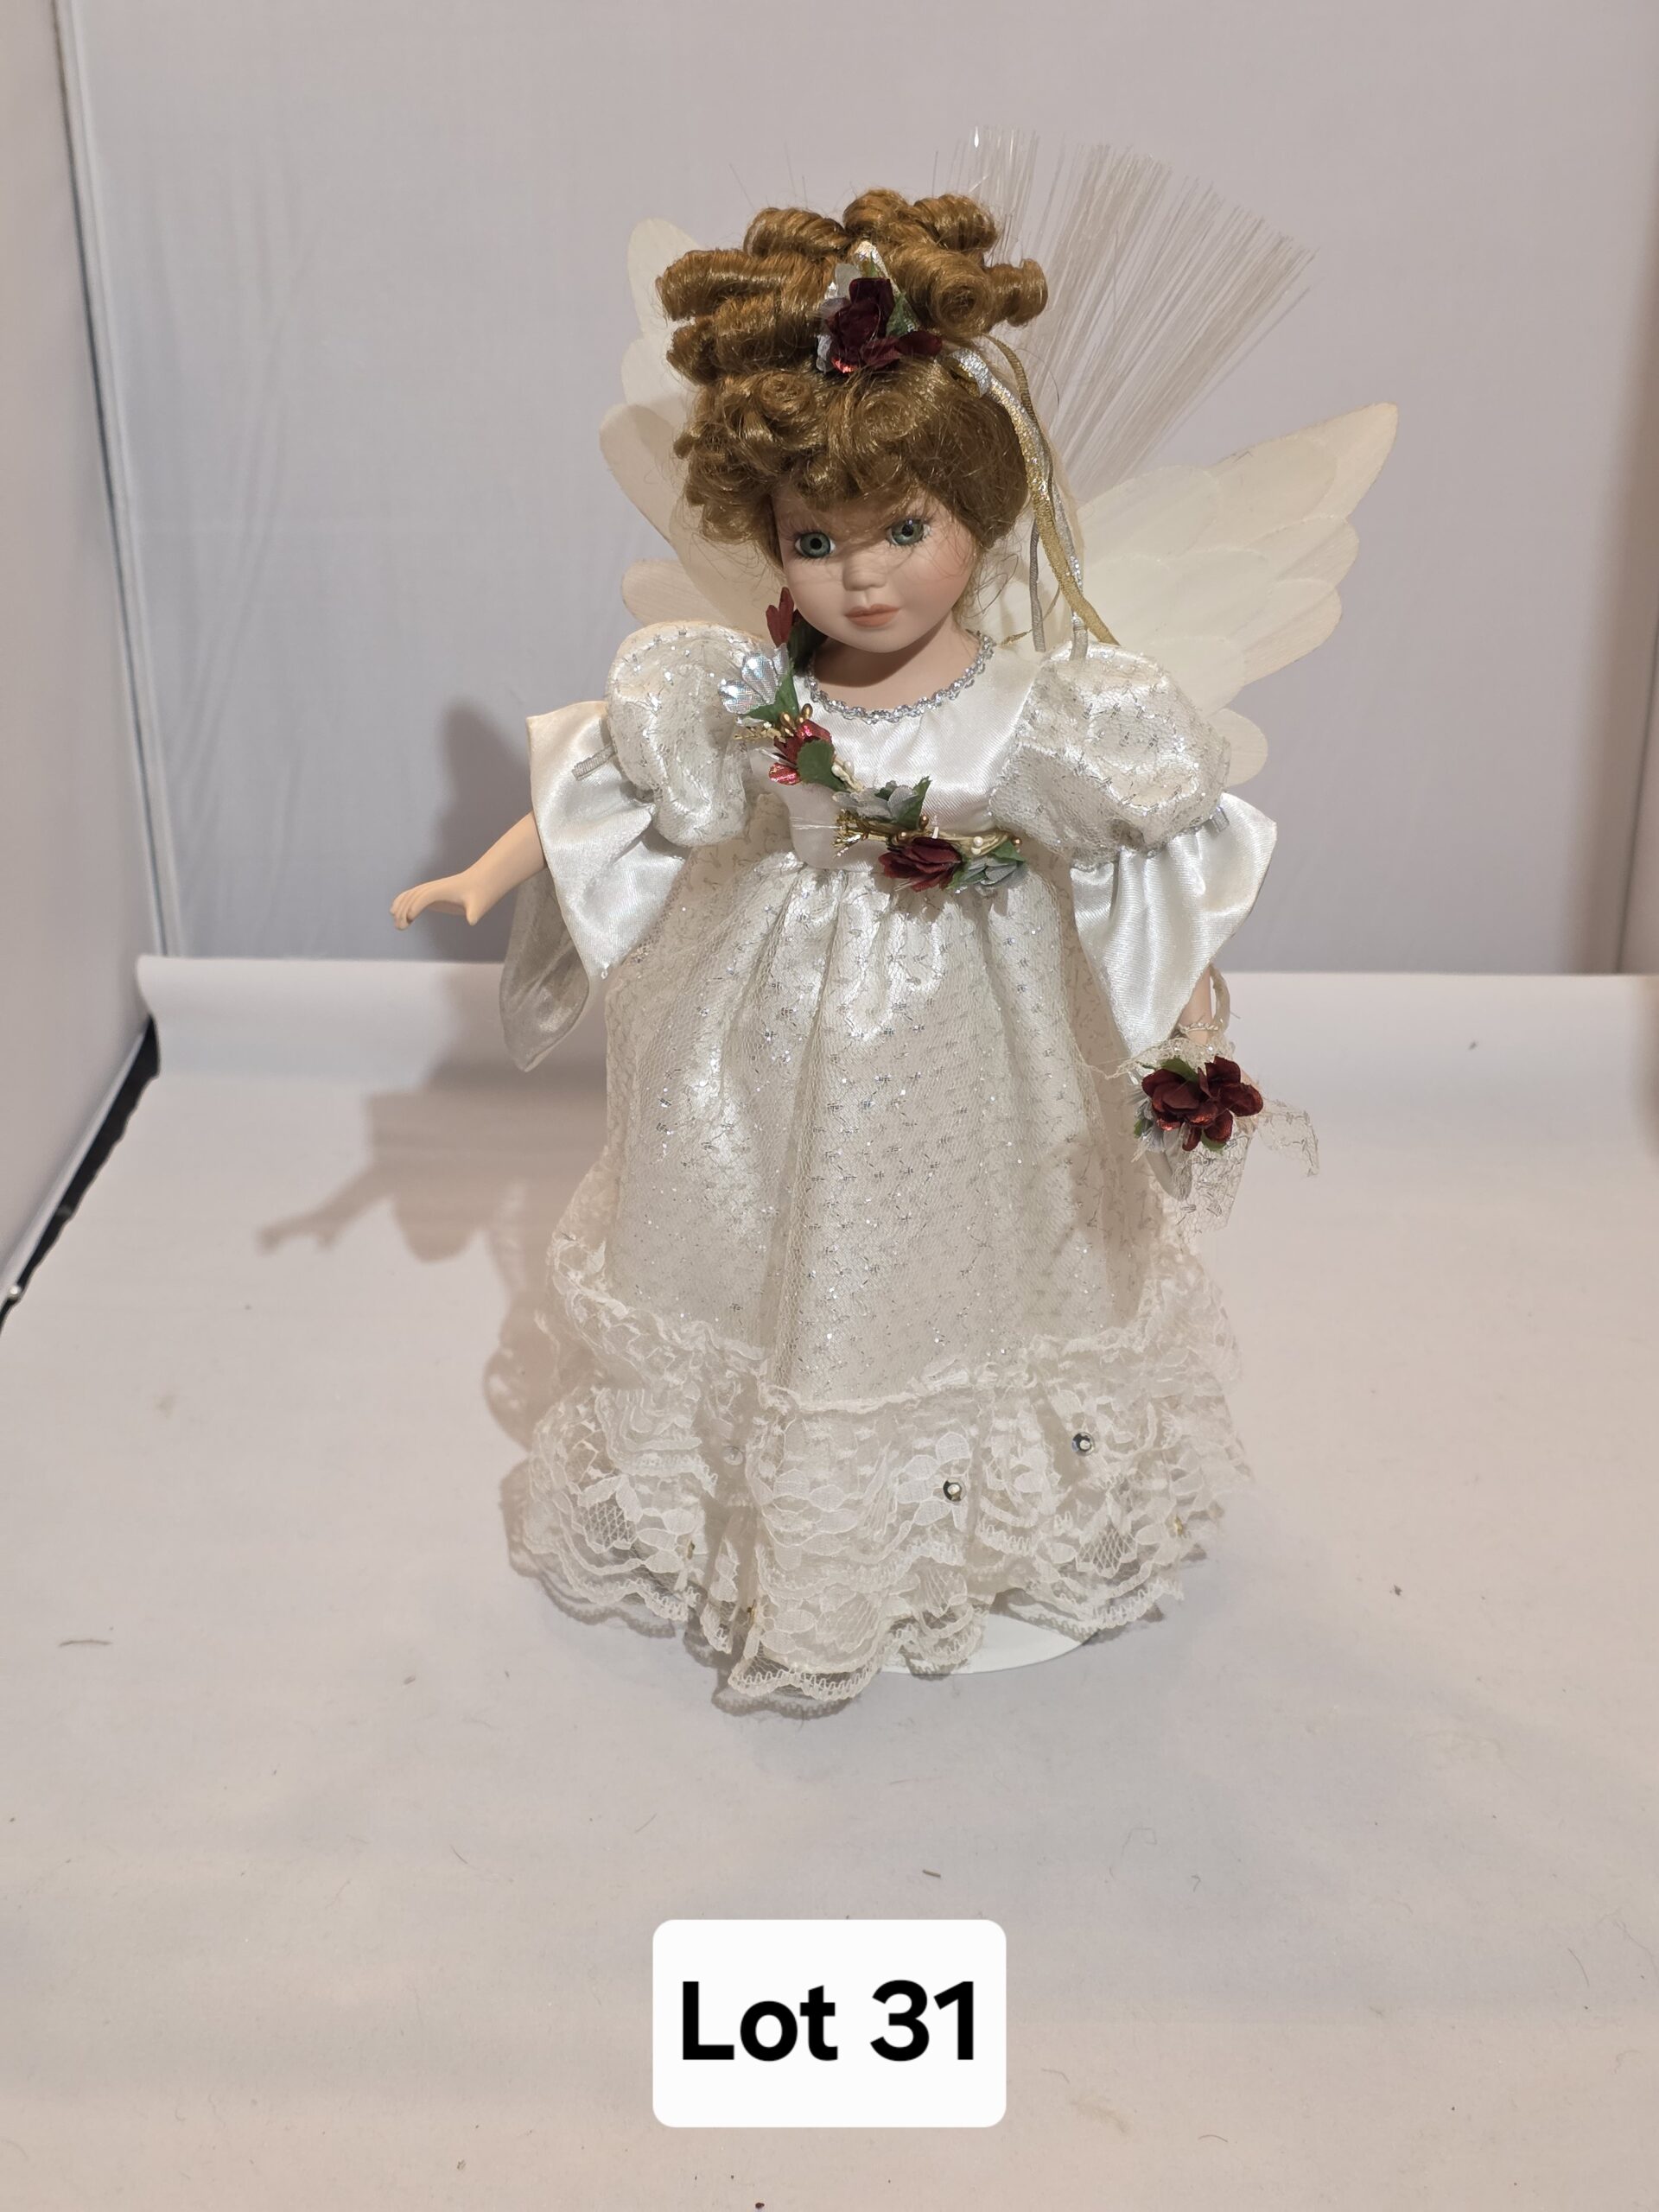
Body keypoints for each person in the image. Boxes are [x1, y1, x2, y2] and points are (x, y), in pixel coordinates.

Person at [391, 183, 1365, 1709]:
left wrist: (1179, 1022)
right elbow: (613, 781)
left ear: (979, 513)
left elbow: (1153, 857)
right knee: (769, 1248)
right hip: (777, 1023)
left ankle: (987, 1536)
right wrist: (486, 871)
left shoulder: (1047, 711)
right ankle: (789, 1526)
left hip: (987, 1032)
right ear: (768, 539)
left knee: (1002, 1254)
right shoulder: (749, 698)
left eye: (905, 529)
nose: (864, 576)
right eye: (816, 538)